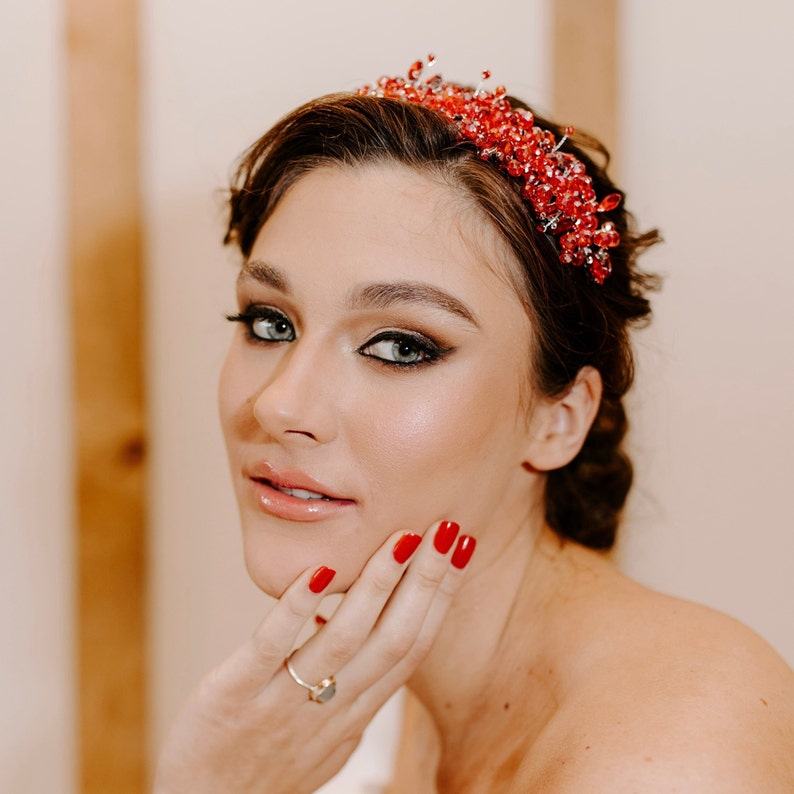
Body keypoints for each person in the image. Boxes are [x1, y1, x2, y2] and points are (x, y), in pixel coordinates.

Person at [153, 59, 794, 792]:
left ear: (560, 418)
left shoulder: (675, 754)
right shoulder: (381, 683)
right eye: (270, 322)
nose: (277, 406)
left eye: (400, 346)